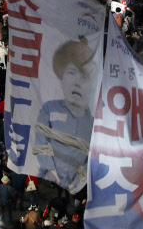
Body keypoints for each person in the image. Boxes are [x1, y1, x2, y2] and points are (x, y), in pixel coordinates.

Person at [34, 37, 96, 192]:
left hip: (77, 189)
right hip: (47, 183)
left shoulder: (94, 122)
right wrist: (50, 171)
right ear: (61, 78)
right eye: (71, 73)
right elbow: (41, 141)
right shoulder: (49, 109)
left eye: (84, 78)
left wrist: (78, 180)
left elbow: (92, 157)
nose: (77, 82)